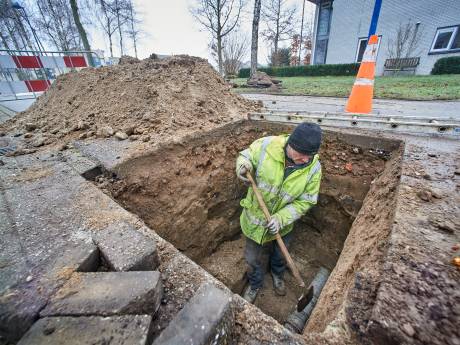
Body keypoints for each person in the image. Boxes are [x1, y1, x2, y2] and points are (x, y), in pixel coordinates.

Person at [235, 122, 322, 303]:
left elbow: (306, 200)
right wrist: (243, 165)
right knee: (252, 259)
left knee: (280, 254)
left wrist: (281, 219)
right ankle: (255, 284)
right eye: (303, 155)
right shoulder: (266, 146)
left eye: (310, 155)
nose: (306, 160)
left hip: (283, 225)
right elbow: (246, 155)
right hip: (255, 222)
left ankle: (277, 275)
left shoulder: (313, 168)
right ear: (291, 144)